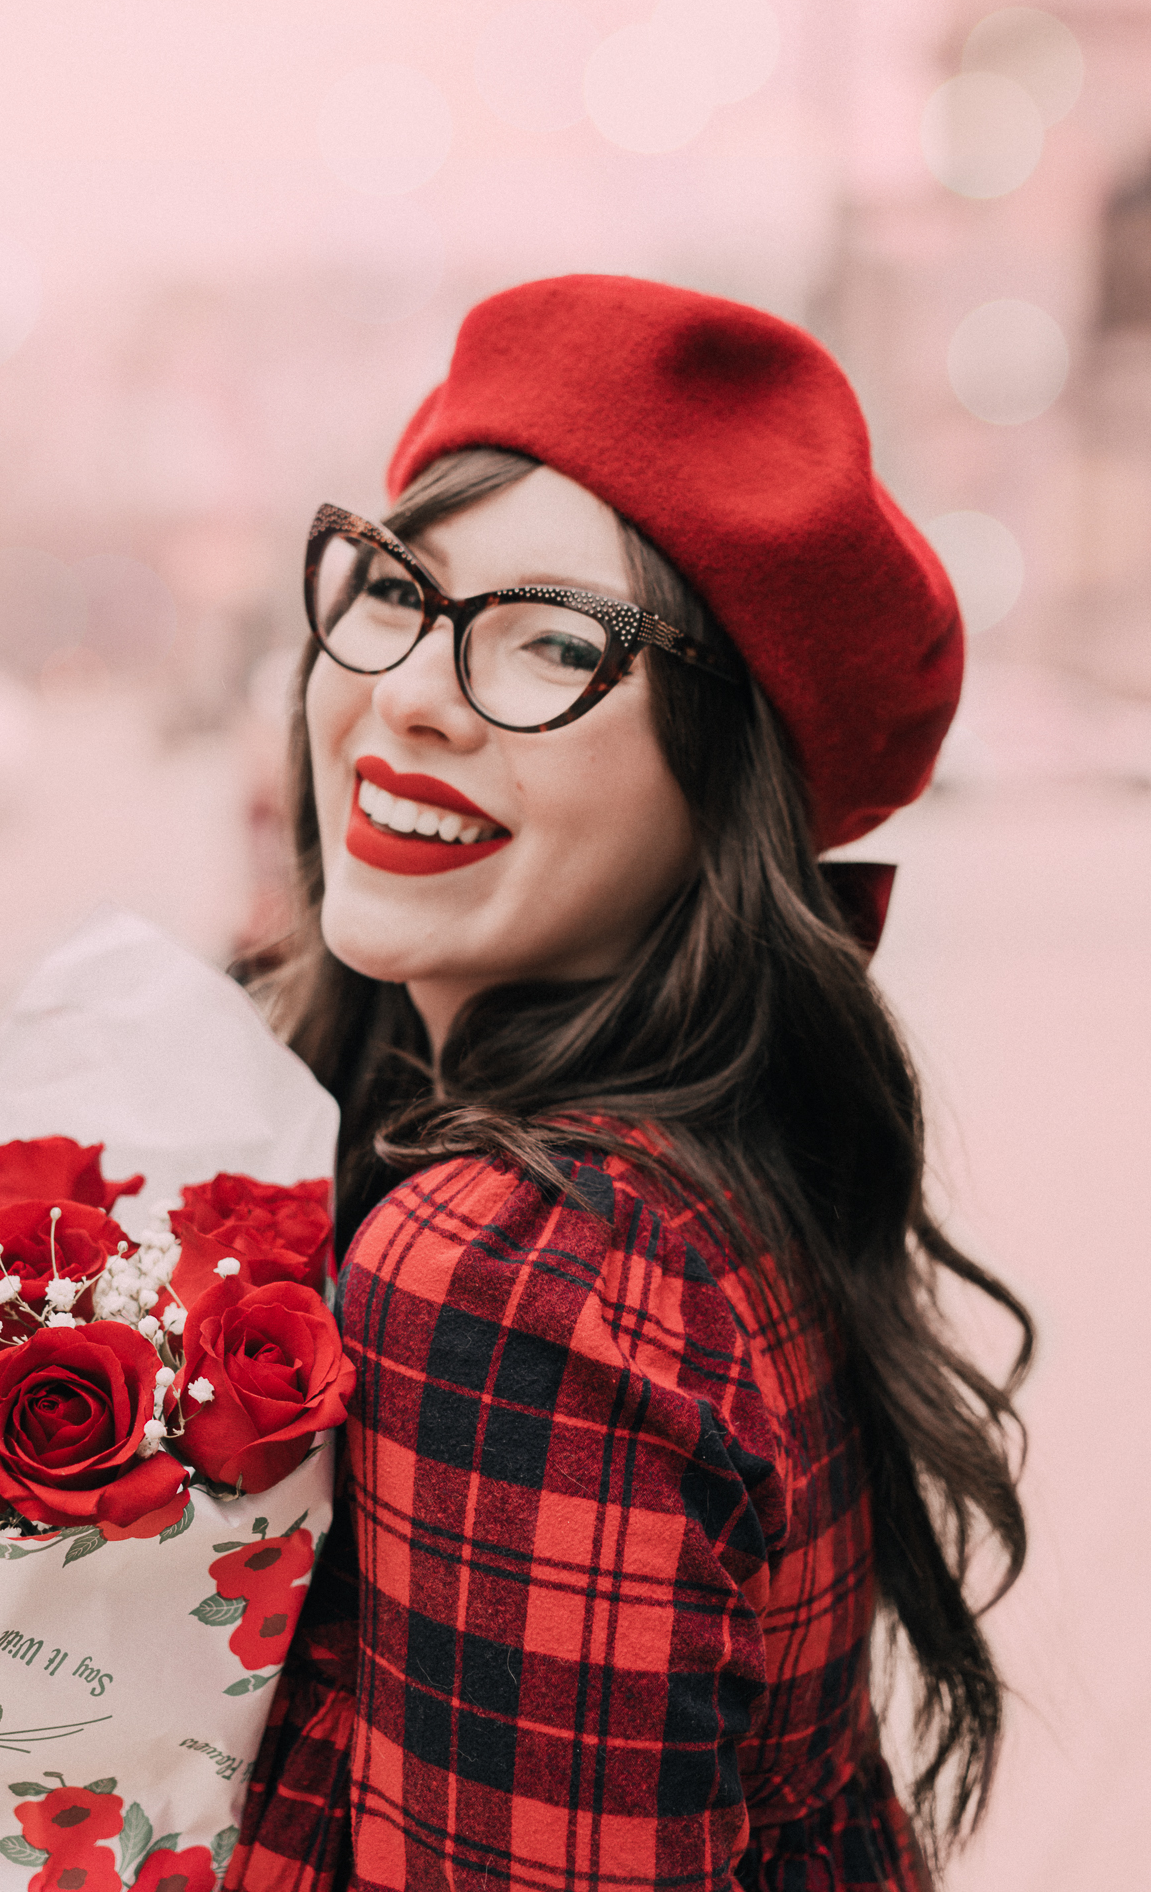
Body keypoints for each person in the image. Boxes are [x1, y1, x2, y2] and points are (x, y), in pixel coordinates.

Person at [228, 276, 1033, 1892]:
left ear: (724, 790)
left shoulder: (517, 1274)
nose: (410, 694)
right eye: (397, 588)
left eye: (550, 641)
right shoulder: (700, 1181)